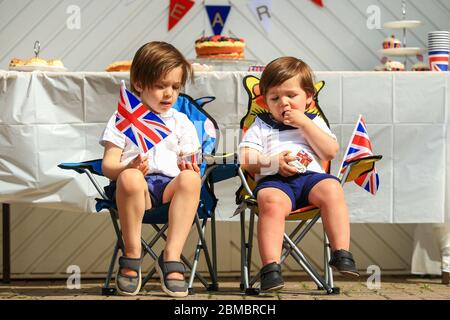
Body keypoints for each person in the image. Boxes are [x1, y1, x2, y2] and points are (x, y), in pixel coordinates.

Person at [239, 56, 359, 293]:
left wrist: (305, 124)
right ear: (265, 101)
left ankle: (341, 252)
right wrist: (272, 163)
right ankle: (271, 268)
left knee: (333, 189)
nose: (283, 102)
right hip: (276, 182)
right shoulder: (261, 125)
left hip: (311, 181)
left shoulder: (315, 122)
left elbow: (330, 151)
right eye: (275, 98)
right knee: (270, 202)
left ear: (309, 98)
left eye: (291, 96)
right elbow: (246, 160)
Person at [100, 41, 201, 297]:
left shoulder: (182, 122)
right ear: (139, 84)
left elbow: (191, 160)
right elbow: (108, 165)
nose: (169, 94)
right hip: (136, 192)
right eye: (160, 86)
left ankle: (171, 256)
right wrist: (126, 167)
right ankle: (132, 253)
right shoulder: (123, 119)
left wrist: (188, 165)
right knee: (131, 176)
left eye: (175, 87)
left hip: (169, 191)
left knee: (190, 179)